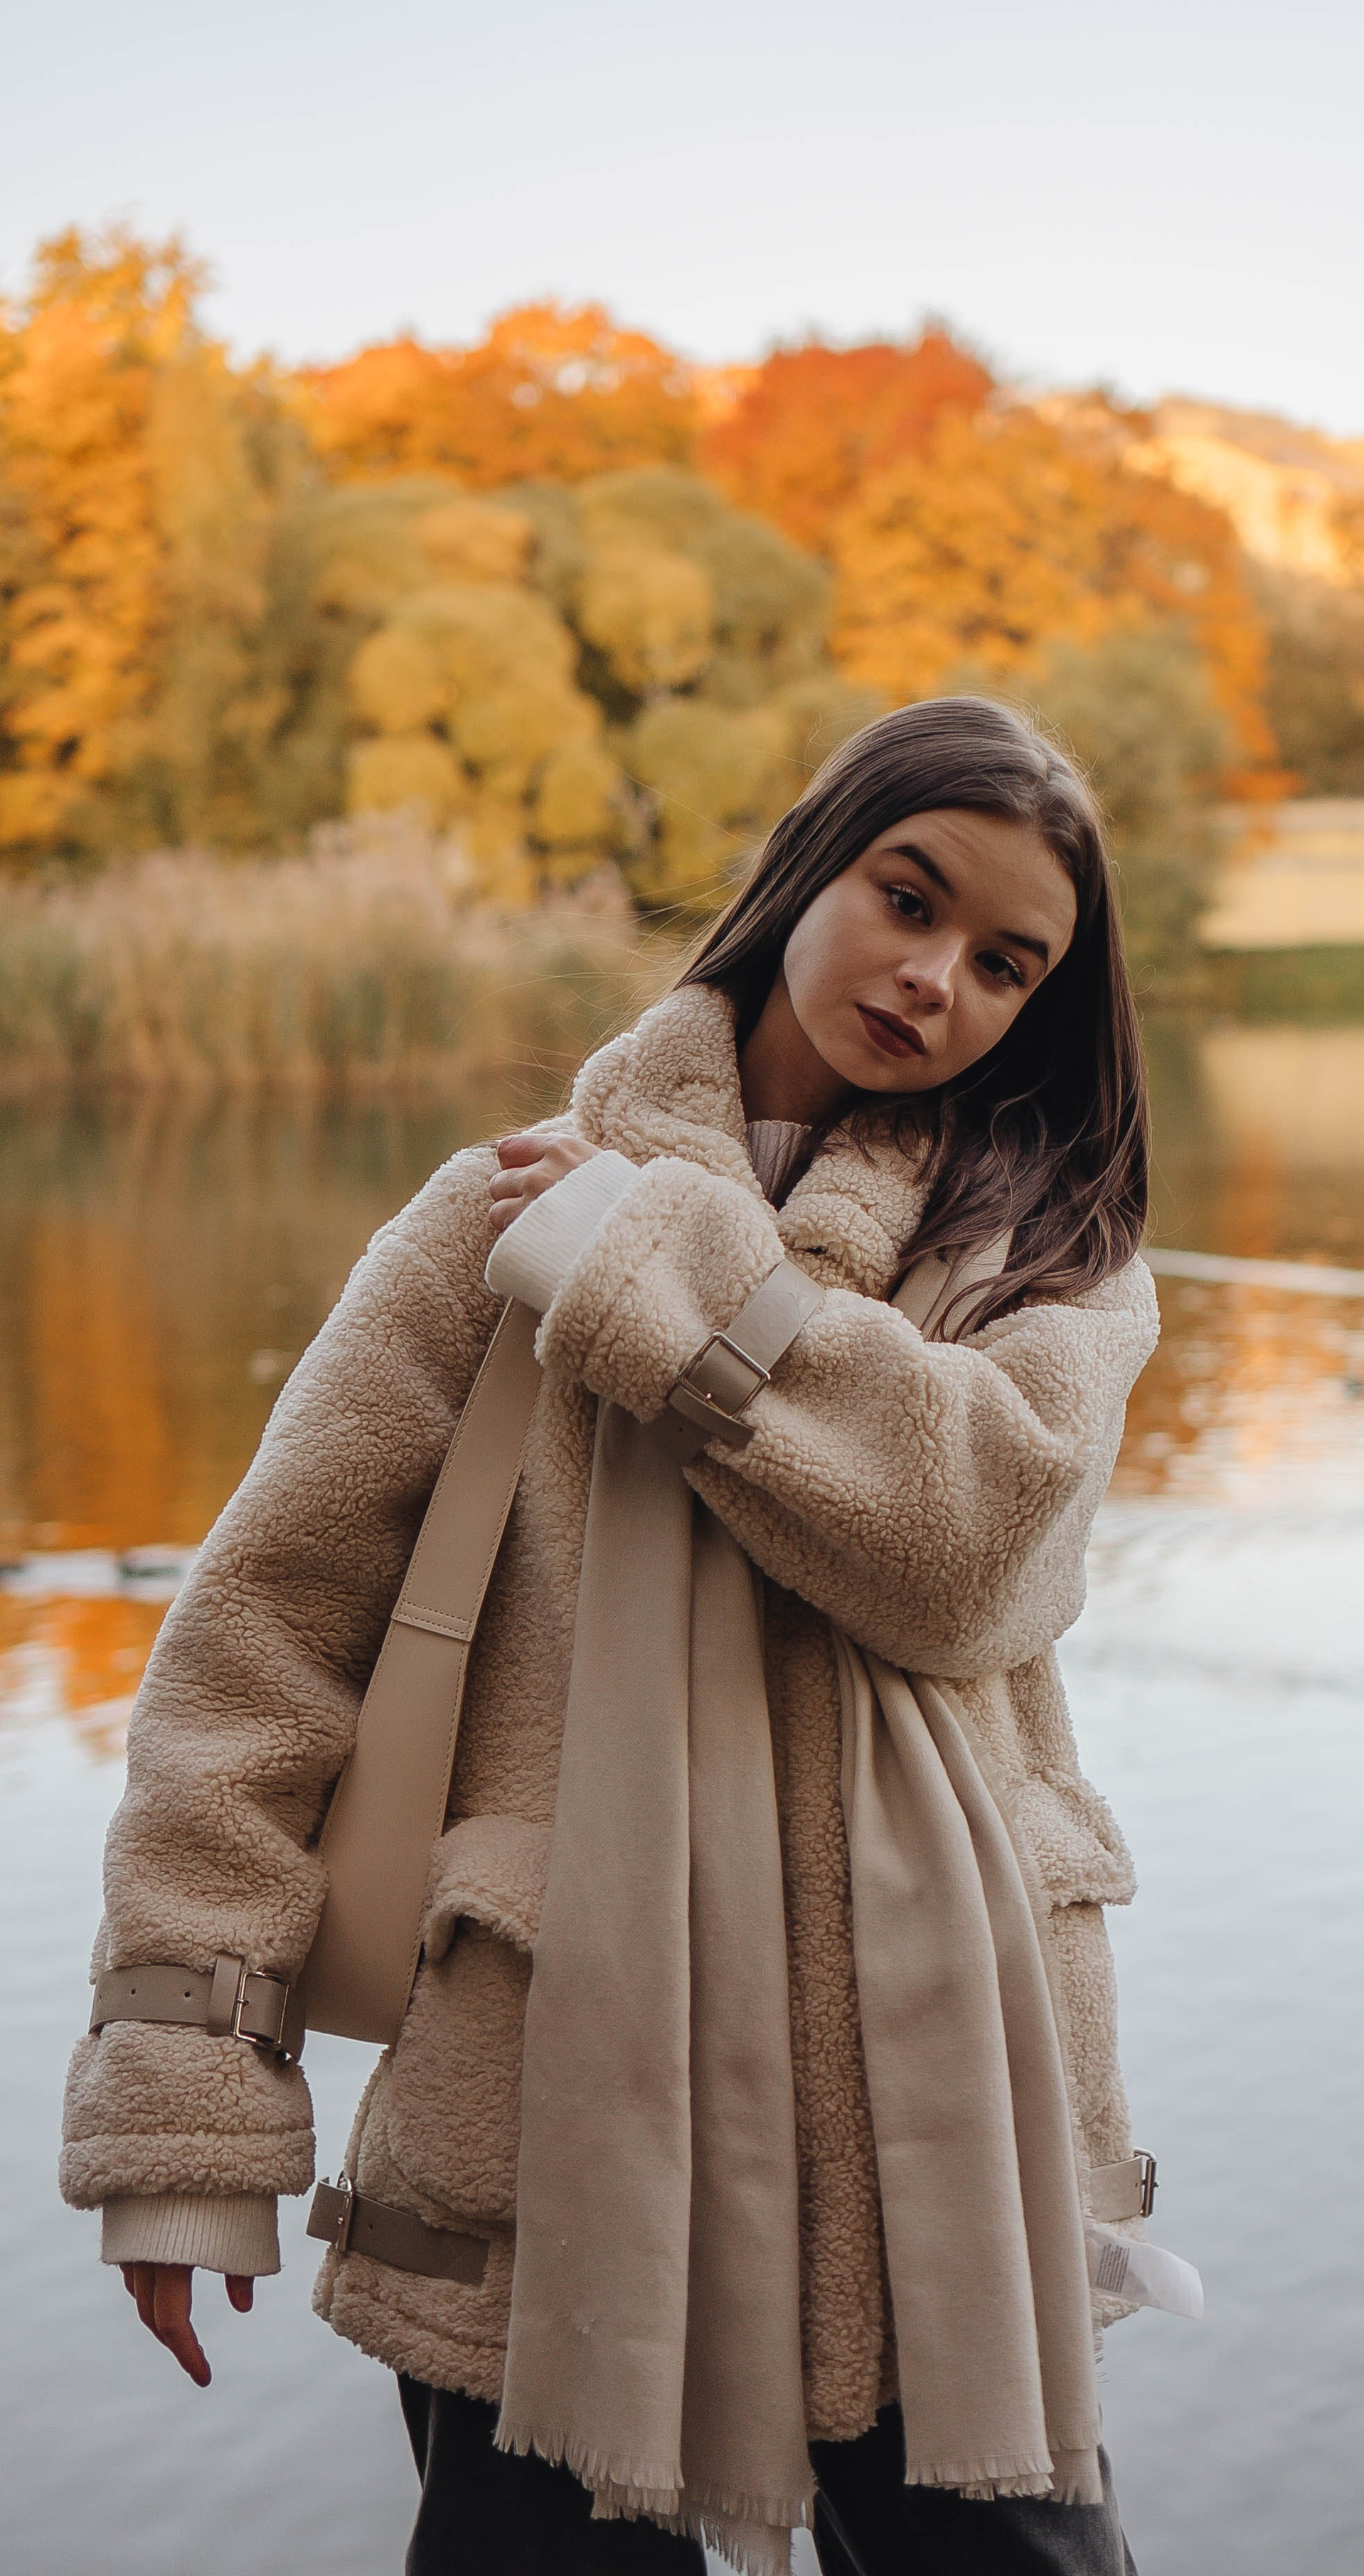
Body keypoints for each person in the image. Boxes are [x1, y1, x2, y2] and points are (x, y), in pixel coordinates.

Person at [63, 697, 1162, 2575]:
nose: (934, 978)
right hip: (560, 2125)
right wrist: (187, 2126)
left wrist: (648, 1273)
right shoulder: (493, 1224)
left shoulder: (1042, 1262)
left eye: (1005, 963)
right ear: (811, 858)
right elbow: (255, 1656)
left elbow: (969, 1562)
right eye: (908, 897)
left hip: (939, 2134)